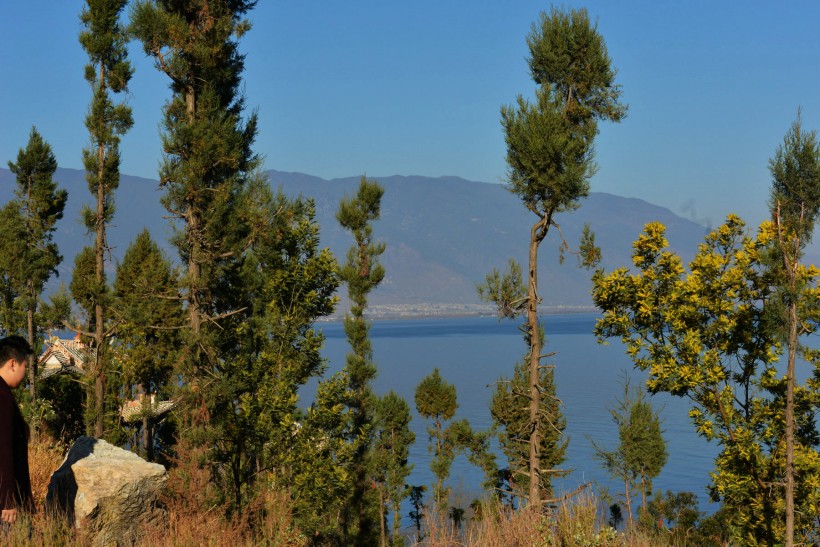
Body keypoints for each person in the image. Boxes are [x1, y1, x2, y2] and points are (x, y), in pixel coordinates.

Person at [0, 335, 34, 525]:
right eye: (25, 366)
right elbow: (3, 447)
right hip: (5, 509)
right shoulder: (2, 397)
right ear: (13, 364)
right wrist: (7, 499)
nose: (26, 372)